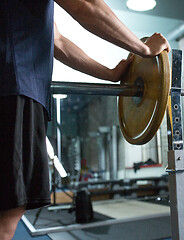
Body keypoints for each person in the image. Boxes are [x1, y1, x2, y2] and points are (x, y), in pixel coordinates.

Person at [0, 0, 171, 239]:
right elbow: (86, 6)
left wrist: (110, 74)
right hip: (13, 89)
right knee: (7, 214)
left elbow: (57, 41)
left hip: (14, 88)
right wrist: (143, 49)